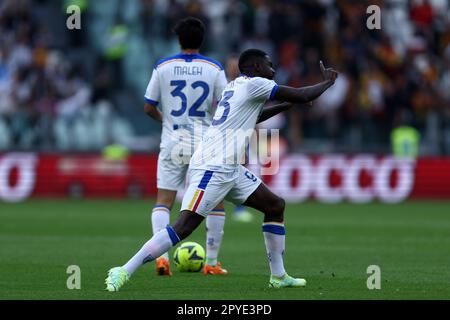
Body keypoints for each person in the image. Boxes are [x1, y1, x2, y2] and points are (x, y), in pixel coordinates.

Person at [105, 48, 338, 291]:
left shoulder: (236, 86)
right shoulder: (255, 84)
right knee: (184, 226)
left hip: (229, 167)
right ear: (257, 68)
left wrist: (288, 104)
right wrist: (326, 83)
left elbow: (255, 117)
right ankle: (123, 270)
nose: (273, 69)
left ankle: (278, 276)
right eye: (270, 65)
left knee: (274, 206)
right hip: (213, 167)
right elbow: (301, 94)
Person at [141, 17, 228, 276]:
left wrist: (166, 120)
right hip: (204, 141)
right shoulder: (213, 68)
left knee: (163, 202)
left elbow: (148, 106)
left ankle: (161, 260)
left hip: (172, 139)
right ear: (203, 39)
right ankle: (211, 263)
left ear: (179, 39)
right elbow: (225, 105)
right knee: (216, 201)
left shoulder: (163, 66)